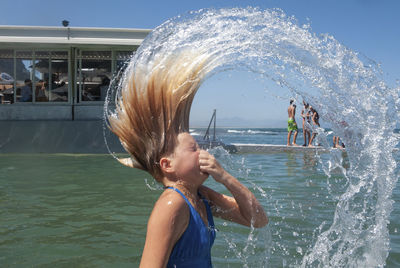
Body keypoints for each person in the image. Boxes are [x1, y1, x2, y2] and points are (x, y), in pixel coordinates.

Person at [107, 50, 268, 267]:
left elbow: (257, 220)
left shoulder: (201, 197)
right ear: (168, 164)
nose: (204, 154)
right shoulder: (172, 205)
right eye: (194, 149)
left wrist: (226, 178)